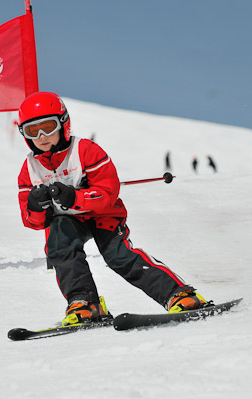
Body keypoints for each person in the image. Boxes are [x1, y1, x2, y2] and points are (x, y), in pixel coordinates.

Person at [16, 91, 207, 326]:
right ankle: (85, 304)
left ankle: (179, 294)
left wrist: (75, 196)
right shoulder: (30, 169)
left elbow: (108, 192)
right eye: (33, 131)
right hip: (67, 220)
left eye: (48, 127)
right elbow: (32, 220)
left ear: (63, 123)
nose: (42, 136)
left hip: (102, 214)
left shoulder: (85, 150)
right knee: (60, 248)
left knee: (118, 256)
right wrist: (37, 206)